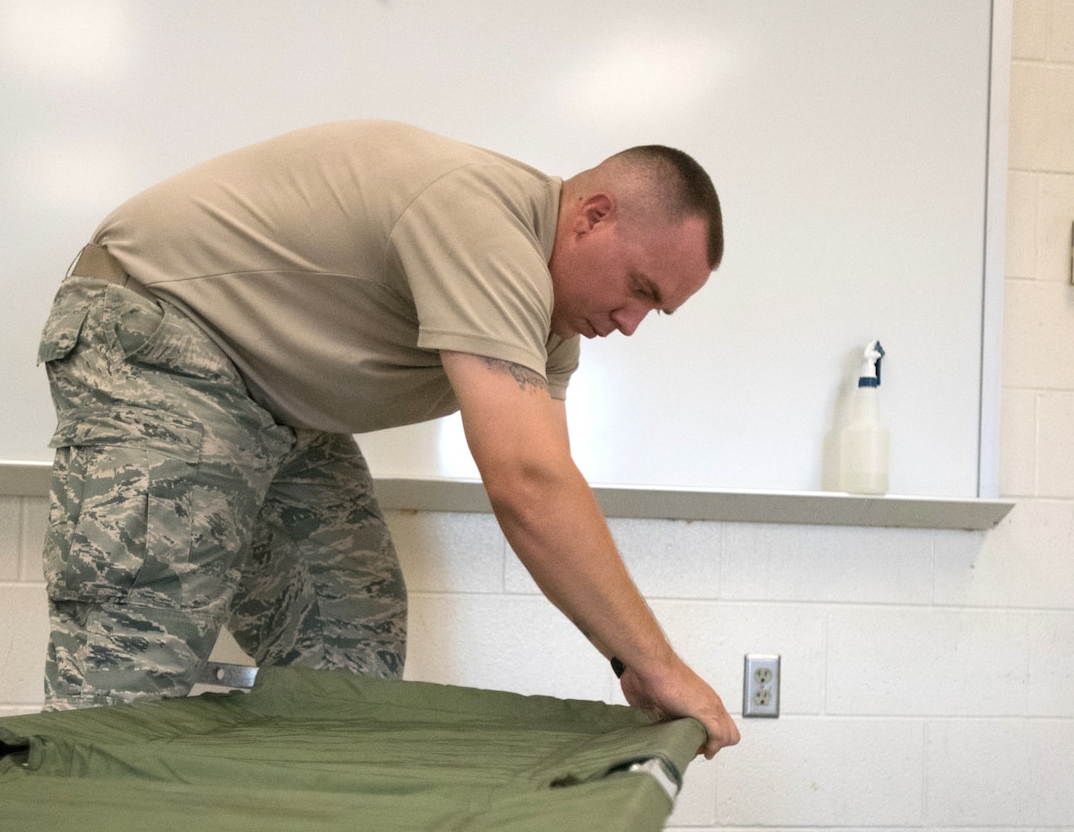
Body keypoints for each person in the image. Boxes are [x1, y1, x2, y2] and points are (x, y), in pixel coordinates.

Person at [38, 119, 740, 759]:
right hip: (162, 335)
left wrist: (627, 663)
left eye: (657, 310)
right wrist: (663, 667)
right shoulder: (482, 222)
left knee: (347, 630)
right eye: (640, 289)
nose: (630, 324)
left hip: (277, 399)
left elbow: (549, 489)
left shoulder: (550, 329)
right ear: (591, 216)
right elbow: (524, 483)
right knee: (133, 658)